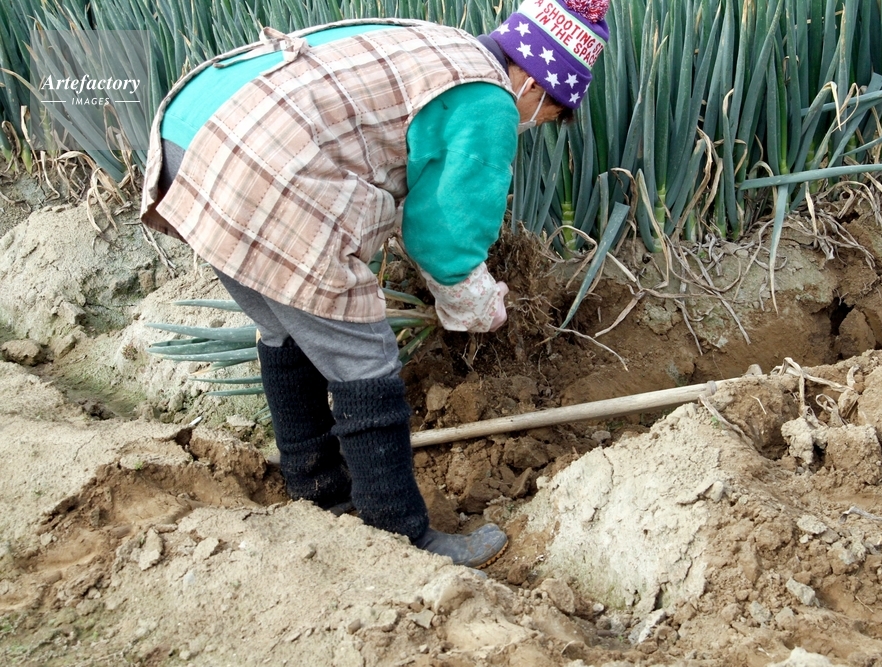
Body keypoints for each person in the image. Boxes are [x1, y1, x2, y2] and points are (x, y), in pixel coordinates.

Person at [140, 0, 610, 568]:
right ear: (535, 83)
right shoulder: (489, 99)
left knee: (285, 326)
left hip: (195, 134)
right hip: (266, 168)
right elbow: (445, 236)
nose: (535, 124)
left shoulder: (441, 43)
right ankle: (400, 535)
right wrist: (473, 301)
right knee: (364, 357)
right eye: (549, 113)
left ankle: (316, 490)